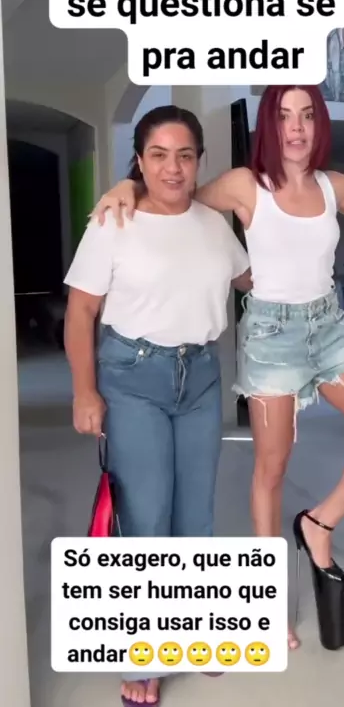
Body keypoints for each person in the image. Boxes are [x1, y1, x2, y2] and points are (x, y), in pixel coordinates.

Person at [92, 86, 344, 653]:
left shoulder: (334, 186)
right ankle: (266, 606)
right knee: (271, 471)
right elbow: (178, 193)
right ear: (270, 125)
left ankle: (318, 523)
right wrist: (127, 185)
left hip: (330, 329)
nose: (296, 127)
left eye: (307, 116)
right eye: (285, 116)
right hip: (271, 339)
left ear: (319, 125)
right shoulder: (245, 185)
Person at [63, 105, 251, 706]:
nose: (173, 168)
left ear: (199, 161)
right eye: (160, 155)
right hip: (132, 378)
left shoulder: (214, 225)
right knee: (146, 516)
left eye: (185, 155)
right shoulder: (113, 222)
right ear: (140, 162)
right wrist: (85, 390)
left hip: (201, 377)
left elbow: (253, 282)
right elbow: (81, 312)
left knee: (196, 514)